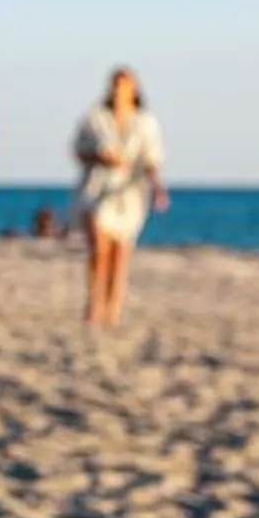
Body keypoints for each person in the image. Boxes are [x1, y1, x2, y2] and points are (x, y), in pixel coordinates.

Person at [73, 66, 168, 330]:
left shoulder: (145, 122)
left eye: (125, 85)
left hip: (130, 194)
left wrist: (159, 188)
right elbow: (77, 150)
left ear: (134, 89)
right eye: (116, 85)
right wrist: (101, 158)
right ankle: (95, 303)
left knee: (120, 255)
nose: (119, 91)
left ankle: (113, 308)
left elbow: (152, 159)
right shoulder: (94, 118)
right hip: (97, 188)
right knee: (99, 250)